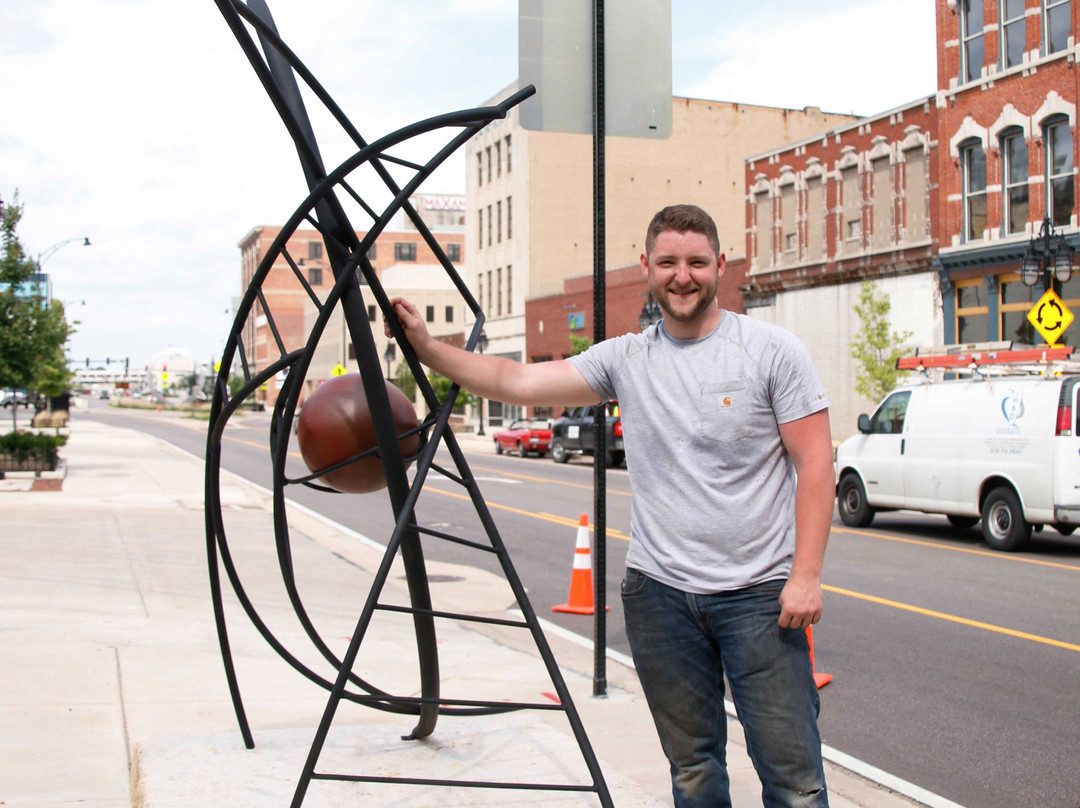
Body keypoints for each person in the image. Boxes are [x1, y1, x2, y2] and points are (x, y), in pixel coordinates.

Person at [386, 204, 834, 808]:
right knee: (694, 773)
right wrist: (426, 346)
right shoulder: (625, 359)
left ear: (720, 266)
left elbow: (816, 465)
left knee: (794, 781)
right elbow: (515, 381)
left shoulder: (772, 352)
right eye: (669, 262)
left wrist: (805, 576)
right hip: (662, 599)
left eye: (697, 262)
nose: (683, 276)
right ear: (646, 267)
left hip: (760, 597)